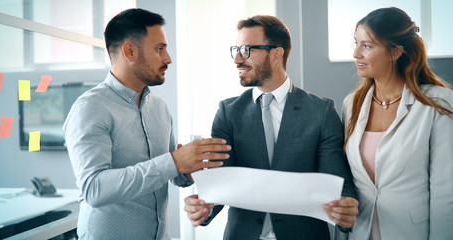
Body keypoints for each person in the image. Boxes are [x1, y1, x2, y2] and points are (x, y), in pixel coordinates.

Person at [184, 15, 358, 240]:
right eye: (235, 49)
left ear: (277, 54)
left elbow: (337, 183)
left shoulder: (321, 112)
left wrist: (345, 208)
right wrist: (204, 207)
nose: (237, 59)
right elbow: (221, 180)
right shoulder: (228, 113)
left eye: (246, 50)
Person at [63, 8, 230, 240]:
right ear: (129, 51)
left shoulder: (159, 107)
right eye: (160, 49)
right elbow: (94, 189)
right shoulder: (90, 108)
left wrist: (191, 166)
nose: (168, 58)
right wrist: (173, 161)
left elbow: (173, 174)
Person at [342, 7, 453, 240]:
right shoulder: (351, 104)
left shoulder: (438, 103)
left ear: (395, 52)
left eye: (367, 46)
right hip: (360, 232)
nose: (356, 54)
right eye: (355, 43)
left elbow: (446, 191)